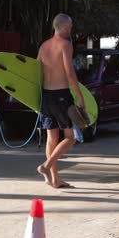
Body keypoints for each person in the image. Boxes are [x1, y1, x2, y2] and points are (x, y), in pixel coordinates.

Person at [36, 13, 85, 189]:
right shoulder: (65, 45)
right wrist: (80, 98)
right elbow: (70, 74)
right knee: (71, 138)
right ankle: (46, 166)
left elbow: (37, 73)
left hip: (46, 96)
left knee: (52, 138)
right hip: (61, 95)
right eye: (70, 27)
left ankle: (54, 179)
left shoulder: (43, 46)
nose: (71, 30)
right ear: (64, 28)